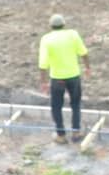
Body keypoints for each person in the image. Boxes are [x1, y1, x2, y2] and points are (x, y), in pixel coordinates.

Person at [38, 13, 89, 142]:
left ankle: (61, 135)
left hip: (57, 78)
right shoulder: (73, 34)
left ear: (50, 26)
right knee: (76, 104)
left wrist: (44, 82)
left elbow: (43, 64)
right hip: (74, 76)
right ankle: (76, 132)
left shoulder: (46, 39)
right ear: (64, 24)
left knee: (56, 106)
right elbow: (83, 52)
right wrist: (88, 67)